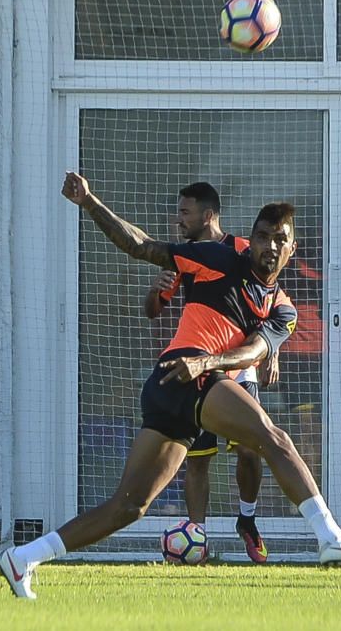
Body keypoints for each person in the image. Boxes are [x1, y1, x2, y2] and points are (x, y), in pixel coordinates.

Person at [0, 172, 341, 599]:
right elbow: (141, 246)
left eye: (280, 239)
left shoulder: (284, 309)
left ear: (292, 249)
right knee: (274, 438)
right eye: (262, 236)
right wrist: (89, 202)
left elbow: (255, 351)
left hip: (193, 379)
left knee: (129, 506)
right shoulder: (218, 258)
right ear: (248, 240)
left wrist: (210, 360)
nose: (269, 246)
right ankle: (331, 538)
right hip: (178, 376)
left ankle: (22, 559)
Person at [143, 181, 275, 564]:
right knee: (198, 459)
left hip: (238, 367)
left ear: (208, 215)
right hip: (197, 373)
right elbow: (154, 310)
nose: (178, 220)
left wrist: (270, 351)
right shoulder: (185, 258)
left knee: (252, 449)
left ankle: (246, 521)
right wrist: (156, 291)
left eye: (185, 212)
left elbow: (267, 303)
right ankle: (196, 539)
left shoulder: (241, 251)